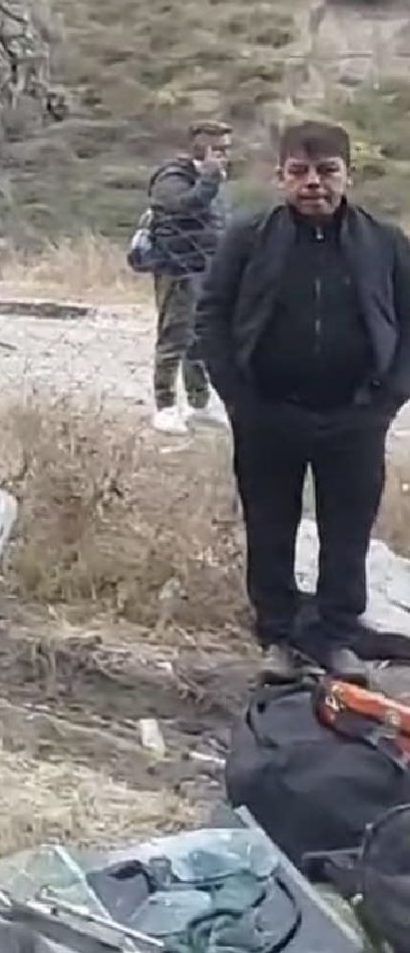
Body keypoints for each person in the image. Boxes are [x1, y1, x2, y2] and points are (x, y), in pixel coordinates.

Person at [195, 120, 410, 682]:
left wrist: (386, 401)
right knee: (270, 527)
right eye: (300, 172)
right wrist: (239, 398)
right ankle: (280, 639)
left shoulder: (387, 243)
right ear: (280, 176)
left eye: (326, 171)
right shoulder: (247, 238)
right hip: (267, 411)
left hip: (354, 416)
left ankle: (337, 636)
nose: (313, 182)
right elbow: (211, 315)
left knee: (347, 530)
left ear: (348, 175)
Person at [146, 120, 233, 435]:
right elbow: (181, 207)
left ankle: (199, 404)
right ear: (199, 145)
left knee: (200, 340)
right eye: (218, 147)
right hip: (177, 269)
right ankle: (165, 406)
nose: (224, 154)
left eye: (227, 148)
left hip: (206, 268)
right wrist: (209, 180)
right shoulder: (172, 177)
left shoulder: (211, 179)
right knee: (174, 336)